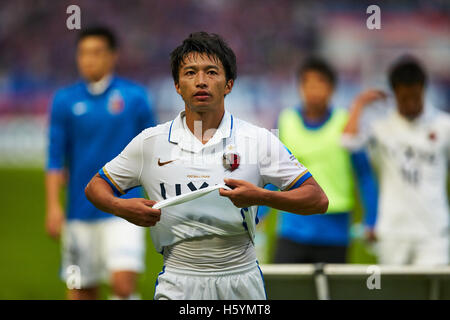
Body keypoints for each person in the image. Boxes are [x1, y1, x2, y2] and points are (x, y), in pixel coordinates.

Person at [85, 31, 329, 300]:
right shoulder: (150, 143)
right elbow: (96, 187)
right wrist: (121, 207)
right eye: (190, 72)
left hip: (241, 278)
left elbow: (317, 199)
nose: (201, 81)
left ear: (229, 84)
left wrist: (262, 196)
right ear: (177, 85)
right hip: (178, 278)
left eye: (211, 72)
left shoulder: (257, 140)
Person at [45, 26, 157, 299]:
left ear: (112, 56)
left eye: (96, 53)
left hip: (124, 209)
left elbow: (154, 153)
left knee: (122, 285)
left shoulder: (134, 98)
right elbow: (55, 158)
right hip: (79, 214)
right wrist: (53, 207)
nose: (88, 60)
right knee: (81, 290)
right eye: (83, 53)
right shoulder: (64, 100)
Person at [259, 57, 378, 264]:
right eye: (308, 83)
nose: (313, 90)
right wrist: (258, 214)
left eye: (319, 83)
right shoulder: (286, 121)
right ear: (300, 87)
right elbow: (272, 173)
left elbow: (365, 174)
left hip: (334, 232)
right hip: (292, 229)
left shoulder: (346, 123)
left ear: (331, 88)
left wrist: (372, 219)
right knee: (286, 291)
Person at [342, 56, 450, 266]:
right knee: (395, 292)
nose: (410, 103)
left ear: (423, 91)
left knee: (433, 293)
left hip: (434, 230)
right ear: (395, 94)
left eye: (415, 97)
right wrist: (359, 104)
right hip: (393, 229)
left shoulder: (444, 125)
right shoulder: (382, 128)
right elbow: (348, 141)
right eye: (404, 98)